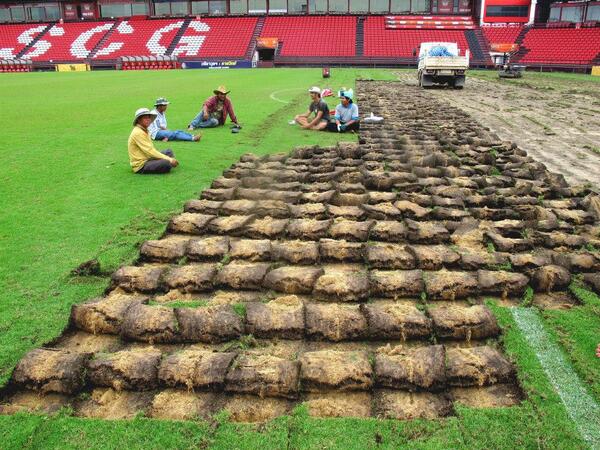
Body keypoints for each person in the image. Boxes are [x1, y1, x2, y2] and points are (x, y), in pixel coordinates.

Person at [128, 108, 179, 174]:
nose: (148, 120)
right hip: (141, 165)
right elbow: (150, 151)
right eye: (145, 118)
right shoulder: (138, 132)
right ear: (139, 120)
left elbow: (151, 150)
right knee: (166, 163)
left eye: (149, 118)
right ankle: (168, 164)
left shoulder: (145, 130)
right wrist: (169, 159)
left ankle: (167, 163)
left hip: (148, 158)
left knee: (168, 152)